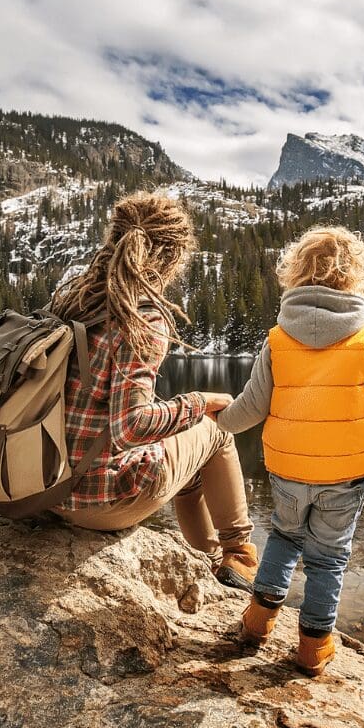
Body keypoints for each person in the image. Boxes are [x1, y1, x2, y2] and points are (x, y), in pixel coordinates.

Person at [215, 226, 364, 675]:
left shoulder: (277, 339)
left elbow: (252, 407)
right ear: (355, 277)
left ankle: (257, 622)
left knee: (284, 538)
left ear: (295, 273)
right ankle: (313, 646)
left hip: (287, 470)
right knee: (328, 557)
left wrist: (219, 421)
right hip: (345, 479)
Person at [49, 192, 259, 589]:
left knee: (187, 459)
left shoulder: (74, 299)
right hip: (95, 501)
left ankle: (210, 563)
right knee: (215, 432)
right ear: (172, 257)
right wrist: (200, 402)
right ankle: (239, 555)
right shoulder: (139, 317)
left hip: (43, 488)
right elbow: (129, 427)